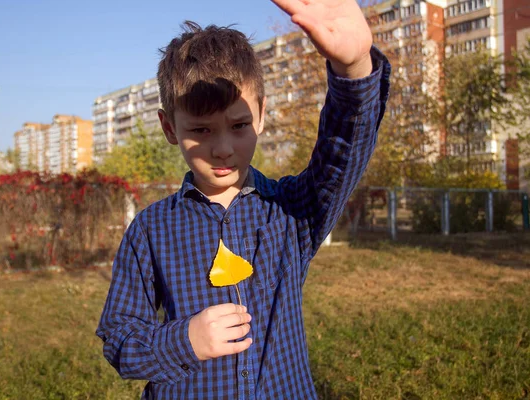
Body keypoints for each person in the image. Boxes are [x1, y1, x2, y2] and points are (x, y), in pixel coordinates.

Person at [96, 0, 390, 398]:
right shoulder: (151, 230)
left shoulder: (290, 210)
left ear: (262, 114)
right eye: (200, 130)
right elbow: (119, 338)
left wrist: (354, 69)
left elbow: (342, 152)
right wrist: (184, 341)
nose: (222, 148)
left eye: (238, 126)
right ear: (169, 127)